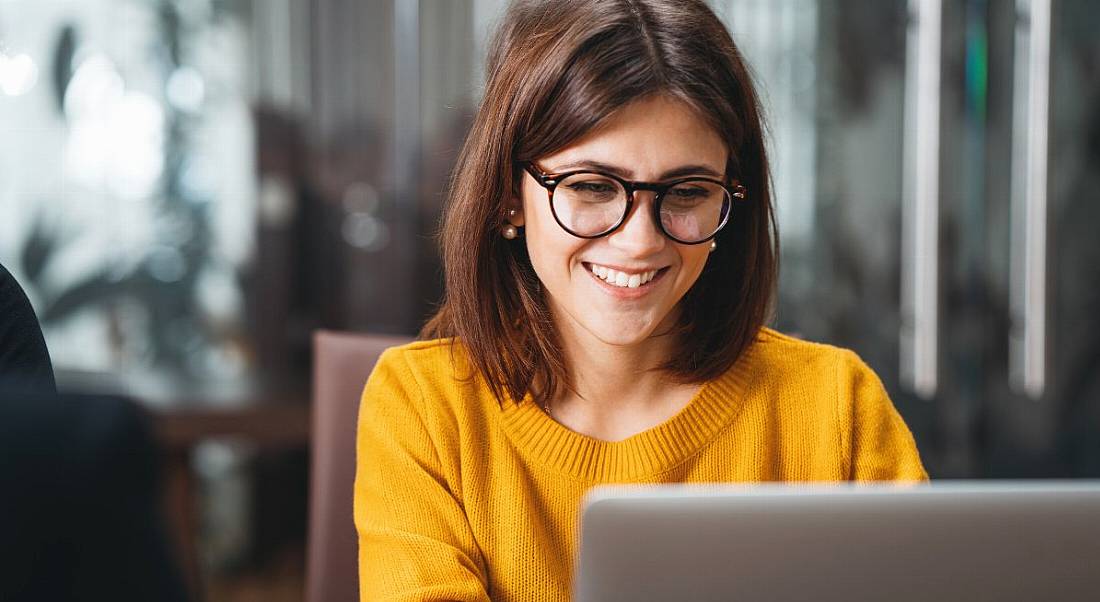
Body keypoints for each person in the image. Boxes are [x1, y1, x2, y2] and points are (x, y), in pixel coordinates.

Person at [354, 1, 927, 600]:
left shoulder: (837, 407)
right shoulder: (423, 408)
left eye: (686, 192)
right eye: (592, 187)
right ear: (509, 197)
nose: (639, 242)